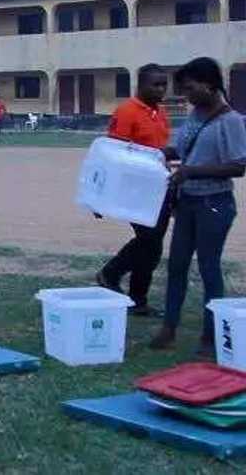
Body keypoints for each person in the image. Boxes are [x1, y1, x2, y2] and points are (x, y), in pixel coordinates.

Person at [151, 58, 246, 355]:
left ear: (209, 84)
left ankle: (211, 335)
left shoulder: (231, 121)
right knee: (176, 265)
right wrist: (152, 153)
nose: (186, 95)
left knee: (208, 268)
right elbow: (179, 148)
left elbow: (238, 166)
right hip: (188, 202)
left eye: (190, 88)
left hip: (214, 204)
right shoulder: (195, 115)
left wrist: (192, 171)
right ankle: (169, 328)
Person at [96, 64, 172, 317]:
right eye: (156, 84)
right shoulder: (127, 111)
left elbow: (159, 150)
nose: (162, 89)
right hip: (134, 190)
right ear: (140, 86)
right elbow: (112, 154)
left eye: (164, 84)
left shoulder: (160, 112)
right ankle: (112, 274)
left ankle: (136, 298)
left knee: (152, 244)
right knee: (149, 241)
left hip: (158, 188)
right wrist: (101, 197)